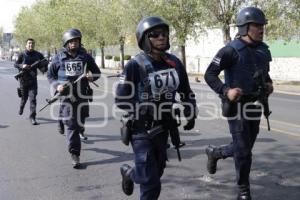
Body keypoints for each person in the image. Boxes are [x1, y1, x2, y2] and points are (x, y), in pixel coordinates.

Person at [115, 16, 197, 200]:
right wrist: (143, 108)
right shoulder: (134, 65)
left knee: (156, 171)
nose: (162, 37)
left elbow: (186, 91)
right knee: (151, 184)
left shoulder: (175, 63)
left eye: (164, 34)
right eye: (155, 35)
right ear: (144, 39)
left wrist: (191, 109)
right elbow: (121, 99)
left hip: (164, 127)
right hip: (141, 129)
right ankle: (137, 176)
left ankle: (129, 174)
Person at [204, 7, 274, 200]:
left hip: (254, 106)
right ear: (244, 27)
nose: (261, 29)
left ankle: (216, 153)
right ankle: (243, 189)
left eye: (262, 26)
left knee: (244, 147)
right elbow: (209, 75)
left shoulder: (262, 49)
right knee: (243, 151)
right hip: (237, 107)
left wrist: (269, 84)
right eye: (257, 26)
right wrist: (227, 91)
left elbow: (264, 73)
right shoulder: (230, 50)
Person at [47, 28, 100, 168]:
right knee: (72, 125)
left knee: (81, 121)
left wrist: (91, 76)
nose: (74, 43)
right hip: (66, 96)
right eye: (71, 41)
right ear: (66, 43)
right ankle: (75, 153)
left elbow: (96, 72)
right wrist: (57, 85)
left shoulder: (85, 56)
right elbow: (50, 75)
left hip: (82, 95)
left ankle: (63, 121)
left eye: (76, 41)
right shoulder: (58, 57)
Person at [14, 38, 48, 125]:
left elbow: (43, 64)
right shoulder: (22, 54)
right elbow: (15, 64)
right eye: (29, 43)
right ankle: (21, 107)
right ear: (26, 45)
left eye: (32, 43)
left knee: (33, 99)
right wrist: (22, 66)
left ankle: (32, 117)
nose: (30, 45)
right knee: (24, 99)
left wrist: (44, 68)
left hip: (33, 81)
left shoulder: (38, 54)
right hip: (23, 80)